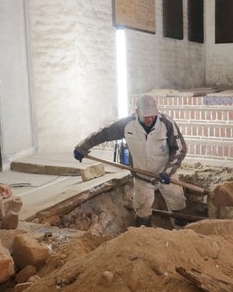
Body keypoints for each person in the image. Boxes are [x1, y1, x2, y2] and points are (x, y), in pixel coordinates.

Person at [73, 94, 188, 228]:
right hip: (142, 176)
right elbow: (103, 134)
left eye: (152, 115)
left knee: (178, 204)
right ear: (137, 112)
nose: (150, 119)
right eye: (146, 116)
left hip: (167, 175)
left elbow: (180, 149)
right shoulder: (127, 125)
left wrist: (167, 172)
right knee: (142, 210)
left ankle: (182, 234)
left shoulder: (166, 123)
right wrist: (83, 147)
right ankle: (143, 237)